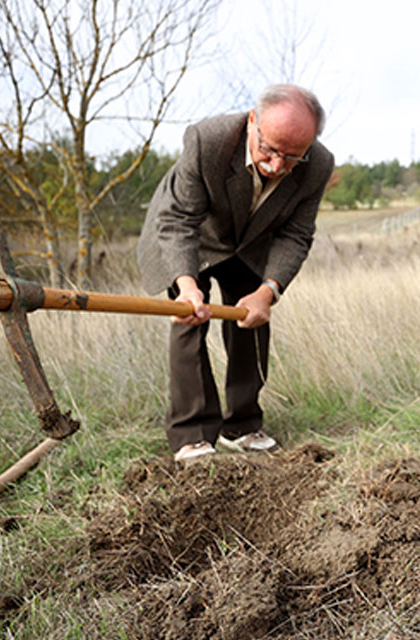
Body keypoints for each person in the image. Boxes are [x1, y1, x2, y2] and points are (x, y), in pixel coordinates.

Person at [136, 84, 333, 462]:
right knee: (189, 318)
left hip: (250, 240)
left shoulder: (319, 166)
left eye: (292, 158)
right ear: (252, 122)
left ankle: (242, 424)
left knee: (252, 317)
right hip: (190, 232)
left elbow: (296, 235)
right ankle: (191, 433)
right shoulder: (207, 140)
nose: (276, 166)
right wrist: (188, 286)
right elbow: (179, 221)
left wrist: (268, 292)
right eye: (269, 150)